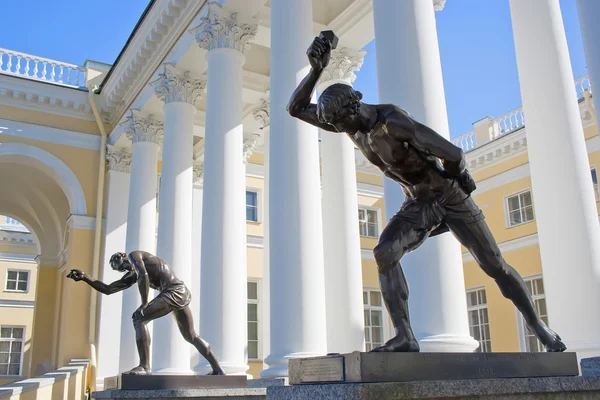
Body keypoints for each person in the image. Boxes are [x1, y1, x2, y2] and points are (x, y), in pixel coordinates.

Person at [286, 34, 566, 353]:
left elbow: (454, 153)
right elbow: (295, 108)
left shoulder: (392, 121)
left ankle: (537, 325)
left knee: (494, 265)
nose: (339, 130)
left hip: (447, 195)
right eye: (335, 125)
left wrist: (463, 182)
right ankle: (405, 336)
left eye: (341, 123)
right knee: (385, 253)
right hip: (418, 203)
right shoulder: (349, 126)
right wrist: (316, 71)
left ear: (353, 106)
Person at [66, 250, 225, 375]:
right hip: (180, 291)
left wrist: (144, 304)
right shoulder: (133, 272)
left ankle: (144, 366)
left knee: (139, 318)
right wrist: (86, 278)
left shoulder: (135, 256)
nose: (123, 270)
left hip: (174, 291)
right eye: (120, 270)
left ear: (123, 256)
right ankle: (217, 369)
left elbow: (144, 275)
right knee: (191, 336)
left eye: (121, 265)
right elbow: (109, 289)